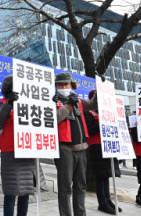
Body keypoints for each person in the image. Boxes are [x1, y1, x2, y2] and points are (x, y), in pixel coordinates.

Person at [0, 75, 46, 216]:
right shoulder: (3, 103)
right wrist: (10, 103)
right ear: (9, 89)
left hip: (27, 151)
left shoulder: (30, 103)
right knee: (11, 192)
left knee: (26, 191)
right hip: (11, 153)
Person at [52, 72, 98, 216]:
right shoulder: (53, 101)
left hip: (82, 148)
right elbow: (55, 119)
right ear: (56, 86)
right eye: (61, 84)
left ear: (71, 85)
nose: (64, 87)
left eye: (66, 84)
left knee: (81, 185)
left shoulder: (78, 99)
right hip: (64, 148)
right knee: (65, 187)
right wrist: (69, 106)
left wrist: (100, 90)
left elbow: (93, 104)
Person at [84, 90, 121, 215]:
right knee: (100, 176)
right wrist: (102, 122)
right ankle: (102, 202)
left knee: (107, 174)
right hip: (96, 147)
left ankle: (107, 199)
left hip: (108, 145)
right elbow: (88, 131)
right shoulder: (89, 113)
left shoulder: (106, 112)